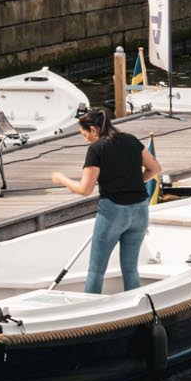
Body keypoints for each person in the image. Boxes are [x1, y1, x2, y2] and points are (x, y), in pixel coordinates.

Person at [50, 108, 162, 294]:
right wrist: (133, 181)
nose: (85, 138)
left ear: (94, 130)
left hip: (114, 212)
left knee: (96, 270)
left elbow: (85, 189)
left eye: (84, 134)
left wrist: (62, 179)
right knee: (130, 269)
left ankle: (88, 314)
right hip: (140, 210)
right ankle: (134, 312)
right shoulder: (131, 140)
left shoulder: (96, 149)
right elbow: (155, 168)